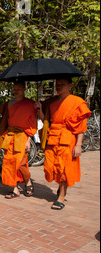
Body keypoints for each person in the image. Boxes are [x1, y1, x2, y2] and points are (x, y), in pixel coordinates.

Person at [36, 77, 91, 210]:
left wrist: (78, 145)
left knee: (64, 169)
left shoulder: (78, 102)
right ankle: (61, 189)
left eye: (62, 84)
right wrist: (39, 110)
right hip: (53, 138)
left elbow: (81, 127)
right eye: (57, 84)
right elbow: (47, 122)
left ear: (70, 85)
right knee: (51, 167)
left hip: (68, 140)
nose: (58, 86)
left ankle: (61, 197)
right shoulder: (52, 103)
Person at [0, 81, 37, 199]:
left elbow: (32, 123)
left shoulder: (30, 104)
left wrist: (28, 140)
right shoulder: (9, 103)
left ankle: (28, 181)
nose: (16, 91)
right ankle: (14, 189)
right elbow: (4, 117)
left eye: (19, 89)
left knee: (21, 163)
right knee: (9, 162)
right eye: (14, 89)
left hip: (22, 135)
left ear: (24, 88)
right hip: (9, 135)